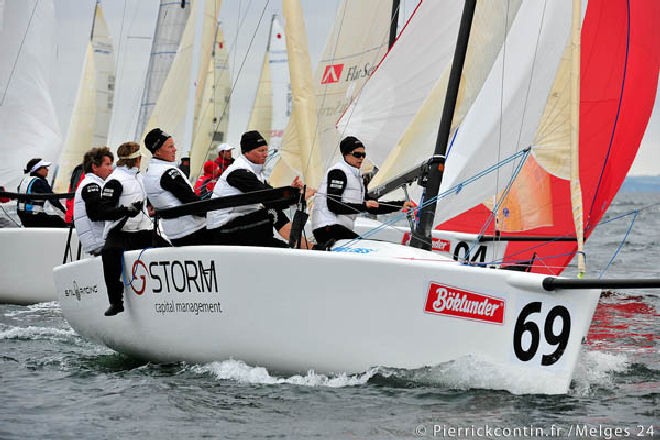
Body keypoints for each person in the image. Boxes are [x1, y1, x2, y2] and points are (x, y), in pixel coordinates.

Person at [207, 130, 313, 247]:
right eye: (261, 150)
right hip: (222, 230)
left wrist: (291, 190)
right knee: (271, 211)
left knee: (280, 246)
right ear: (246, 152)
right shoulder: (238, 172)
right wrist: (297, 196)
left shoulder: (255, 172)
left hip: (240, 225)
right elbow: (268, 197)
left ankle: (303, 248)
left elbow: (271, 192)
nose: (266, 154)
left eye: (266, 150)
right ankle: (307, 247)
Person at [311, 136, 414, 245]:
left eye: (363, 155)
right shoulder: (338, 172)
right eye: (357, 155)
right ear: (346, 154)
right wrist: (365, 206)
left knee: (369, 246)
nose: (361, 158)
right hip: (328, 228)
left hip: (338, 229)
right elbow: (333, 205)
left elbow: (372, 208)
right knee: (369, 247)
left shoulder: (358, 177)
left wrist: (400, 205)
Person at [99, 142, 156, 316]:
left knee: (165, 247)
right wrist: (126, 210)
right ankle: (115, 301)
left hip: (142, 228)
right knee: (109, 254)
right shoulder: (115, 181)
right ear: (136, 160)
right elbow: (103, 210)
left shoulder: (139, 176)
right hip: (120, 230)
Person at [143, 128, 208, 246]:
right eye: (170, 147)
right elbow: (191, 201)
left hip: (174, 233)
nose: (175, 149)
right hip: (192, 232)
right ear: (157, 151)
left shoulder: (150, 172)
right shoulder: (168, 173)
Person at [73, 147, 115, 256]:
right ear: (95, 167)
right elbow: (97, 213)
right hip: (101, 244)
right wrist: (125, 211)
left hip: (102, 242)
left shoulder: (93, 184)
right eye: (107, 164)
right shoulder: (91, 186)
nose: (111, 169)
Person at [16, 158, 67, 228]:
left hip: (23, 218)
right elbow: (54, 202)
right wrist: (66, 217)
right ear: (38, 169)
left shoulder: (23, 181)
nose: (47, 169)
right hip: (35, 218)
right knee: (58, 220)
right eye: (45, 168)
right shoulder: (40, 182)